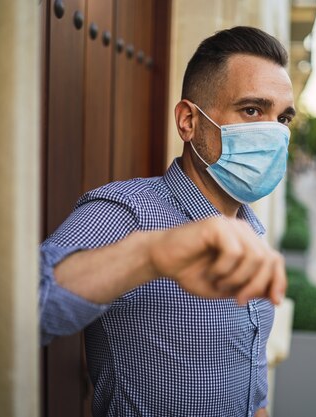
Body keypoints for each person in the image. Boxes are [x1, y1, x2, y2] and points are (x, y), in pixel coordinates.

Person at [39, 26, 295, 417]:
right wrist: (152, 255)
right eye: (252, 110)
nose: (274, 133)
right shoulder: (126, 212)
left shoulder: (251, 227)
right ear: (189, 121)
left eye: (284, 118)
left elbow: (252, 389)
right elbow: (21, 308)